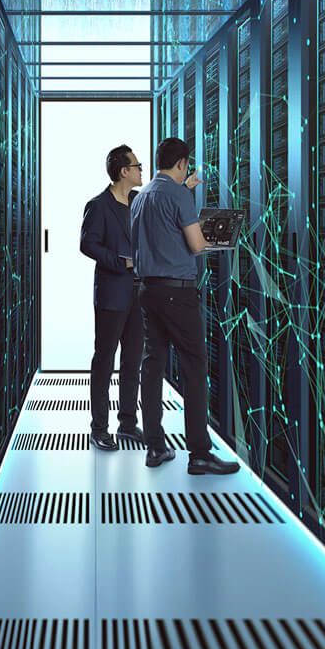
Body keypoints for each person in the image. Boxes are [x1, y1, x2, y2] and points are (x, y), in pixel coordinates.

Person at [130, 137, 240, 475]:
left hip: (147, 291)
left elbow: (158, 231)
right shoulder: (178, 195)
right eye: (187, 167)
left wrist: (185, 190)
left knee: (152, 366)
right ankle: (199, 454)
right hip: (178, 293)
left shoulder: (141, 197)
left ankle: (155, 447)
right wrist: (217, 238)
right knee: (194, 367)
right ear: (182, 164)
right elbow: (194, 245)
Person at [79, 144, 147, 450]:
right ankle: (99, 428)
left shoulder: (138, 201)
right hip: (112, 294)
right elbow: (87, 244)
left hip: (139, 294)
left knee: (133, 361)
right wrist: (121, 262)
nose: (140, 170)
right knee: (104, 361)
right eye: (136, 166)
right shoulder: (98, 205)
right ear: (124, 171)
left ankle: (128, 425)